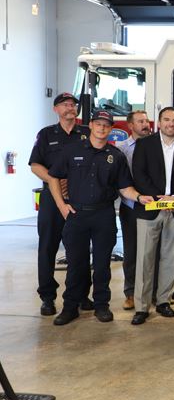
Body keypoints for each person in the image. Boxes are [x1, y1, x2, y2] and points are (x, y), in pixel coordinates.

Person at [47, 110, 153, 325]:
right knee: (76, 264)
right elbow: (53, 177)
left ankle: (101, 306)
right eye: (98, 123)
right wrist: (61, 205)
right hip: (77, 215)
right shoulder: (72, 150)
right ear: (91, 125)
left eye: (106, 125)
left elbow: (125, 187)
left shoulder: (116, 156)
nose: (102, 128)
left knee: (102, 264)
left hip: (103, 215)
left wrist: (139, 197)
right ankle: (70, 307)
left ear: (111, 128)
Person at [130, 107, 174, 325]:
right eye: (167, 119)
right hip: (149, 209)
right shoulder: (144, 144)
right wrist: (159, 199)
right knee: (145, 259)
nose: (171, 124)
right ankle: (141, 307)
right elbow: (139, 174)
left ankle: (163, 301)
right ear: (159, 122)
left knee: (170, 257)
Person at [29, 92, 92, 316]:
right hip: (51, 199)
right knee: (47, 247)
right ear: (55, 109)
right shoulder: (46, 134)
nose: (70, 107)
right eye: (65, 104)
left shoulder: (87, 133)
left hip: (79, 198)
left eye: (73, 104)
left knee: (80, 248)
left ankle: (81, 294)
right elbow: (35, 165)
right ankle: (47, 297)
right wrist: (54, 180)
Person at [116, 110, 151, 310]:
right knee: (131, 252)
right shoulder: (121, 149)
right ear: (130, 125)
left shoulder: (156, 145)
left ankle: (153, 292)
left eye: (146, 120)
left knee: (153, 251)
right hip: (130, 207)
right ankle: (130, 293)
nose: (145, 124)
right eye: (140, 121)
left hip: (153, 205)